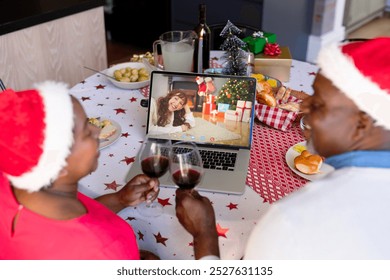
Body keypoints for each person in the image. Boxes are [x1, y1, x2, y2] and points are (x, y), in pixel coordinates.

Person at [175, 37, 390, 259]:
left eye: (318, 103)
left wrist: (205, 233)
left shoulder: (293, 220)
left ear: (362, 123)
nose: (304, 105)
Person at [0, 81, 160, 260]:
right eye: (86, 131)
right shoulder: (103, 250)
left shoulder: (13, 178)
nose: (96, 130)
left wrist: (119, 199)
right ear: (58, 166)